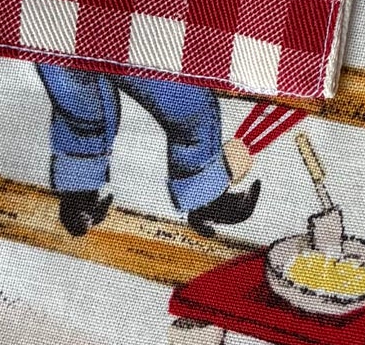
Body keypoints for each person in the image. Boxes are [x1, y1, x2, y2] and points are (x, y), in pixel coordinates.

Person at [37, 63, 261, 239]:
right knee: (191, 108)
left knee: (83, 110)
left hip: (60, 30)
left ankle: (78, 197)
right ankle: (205, 200)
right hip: (133, 37)